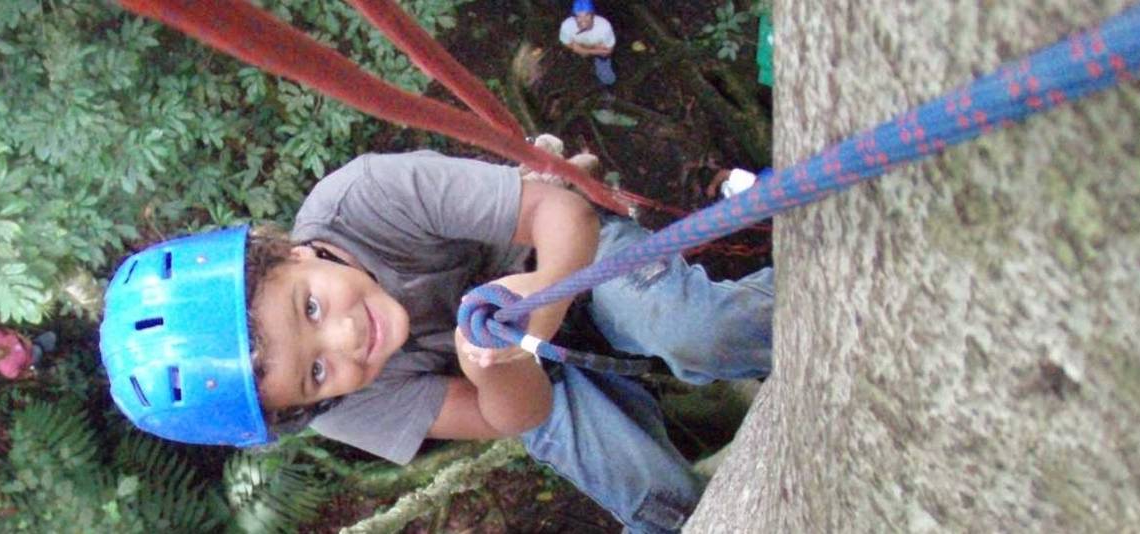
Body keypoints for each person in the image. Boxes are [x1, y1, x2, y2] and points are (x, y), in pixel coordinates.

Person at [100, 144, 773, 532]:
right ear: (303, 409)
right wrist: (499, 363)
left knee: (698, 331)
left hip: (576, 269)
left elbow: (562, 212)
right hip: (525, 376)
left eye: (308, 308)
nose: (344, 339)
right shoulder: (343, 409)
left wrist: (534, 310)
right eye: (315, 374)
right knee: (662, 510)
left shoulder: (365, 198)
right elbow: (509, 415)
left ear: (289, 251)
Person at [559, 0, 618, 87]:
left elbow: (608, 51)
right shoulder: (567, 25)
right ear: (574, 17)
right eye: (578, 16)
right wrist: (581, 49)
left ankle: (607, 87)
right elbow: (565, 42)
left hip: (598, 54)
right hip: (593, 48)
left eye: (587, 15)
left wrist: (584, 50)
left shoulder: (604, 27)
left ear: (593, 15)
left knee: (608, 79)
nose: (583, 20)